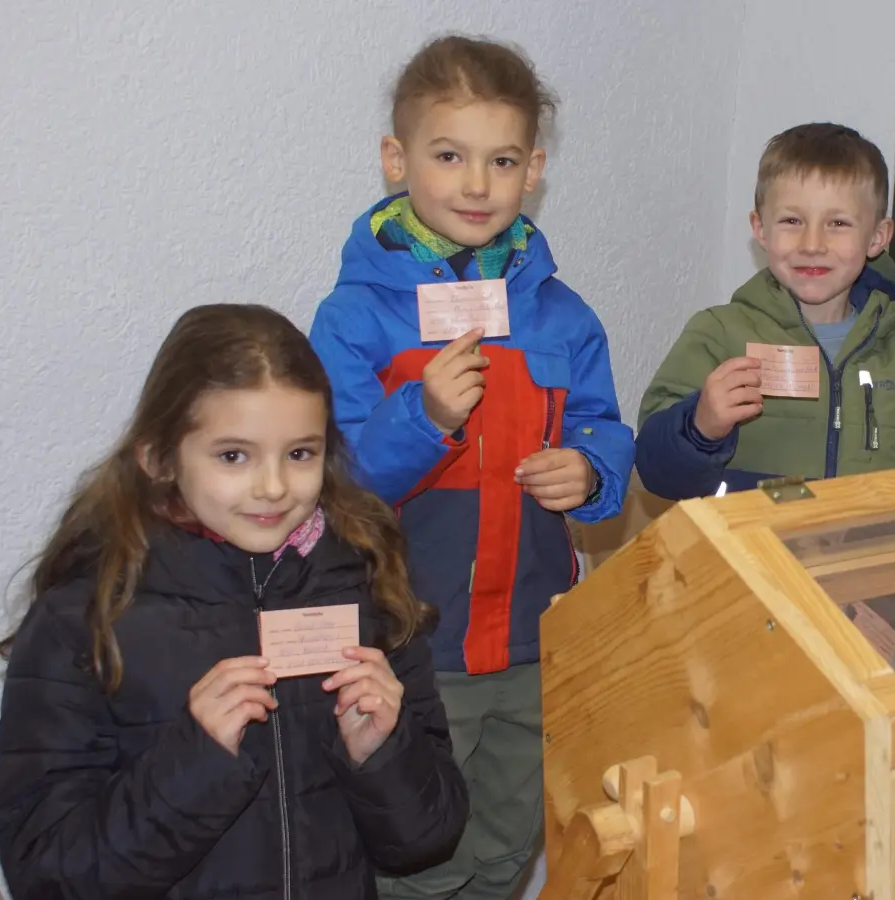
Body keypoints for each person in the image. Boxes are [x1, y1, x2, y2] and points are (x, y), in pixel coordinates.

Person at [0, 304, 468, 899]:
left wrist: (384, 752)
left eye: (300, 454)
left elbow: (431, 839)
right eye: (233, 455)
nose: (272, 487)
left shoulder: (368, 582)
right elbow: (47, 876)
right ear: (159, 457)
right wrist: (196, 761)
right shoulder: (85, 620)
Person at [307, 34, 634, 900]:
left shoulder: (561, 316)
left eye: (501, 160)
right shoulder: (355, 317)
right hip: (415, 640)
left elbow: (604, 427)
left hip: (533, 636)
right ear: (396, 159)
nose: (476, 183)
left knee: (508, 838)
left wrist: (592, 473)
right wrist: (425, 416)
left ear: (533, 170)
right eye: (449, 156)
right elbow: (332, 487)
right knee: (416, 851)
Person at [635, 122, 895, 662]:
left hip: (867, 629)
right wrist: (700, 427)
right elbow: (654, 469)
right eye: (792, 221)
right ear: (759, 229)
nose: (812, 243)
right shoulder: (720, 334)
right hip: (735, 615)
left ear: (878, 237)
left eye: (838, 223)